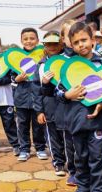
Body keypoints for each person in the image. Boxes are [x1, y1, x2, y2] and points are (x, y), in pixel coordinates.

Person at [59, 22, 102, 192]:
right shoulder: (68, 66)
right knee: (80, 157)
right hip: (76, 121)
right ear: (71, 45)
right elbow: (59, 90)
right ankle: (83, 185)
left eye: (84, 40)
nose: (81, 44)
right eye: (76, 42)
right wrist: (67, 95)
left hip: (98, 122)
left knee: (98, 159)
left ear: (92, 40)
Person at [32, 31, 76, 180]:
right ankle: (58, 162)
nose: (52, 47)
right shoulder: (41, 65)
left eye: (55, 43)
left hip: (67, 106)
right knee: (52, 137)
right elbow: (36, 90)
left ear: (61, 43)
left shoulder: (71, 60)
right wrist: (39, 111)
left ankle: (72, 165)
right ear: (44, 45)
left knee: (67, 137)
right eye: (48, 44)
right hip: (49, 106)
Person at [13, 28, 48, 161]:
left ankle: (40, 148)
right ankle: (24, 149)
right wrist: (17, 79)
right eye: (25, 39)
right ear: (21, 41)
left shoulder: (42, 56)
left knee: (38, 124)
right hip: (21, 98)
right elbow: (11, 77)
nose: (29, 41)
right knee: (22, 125)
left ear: (38, 40)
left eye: (32, 38)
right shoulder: (16, 58)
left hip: (38, 97)